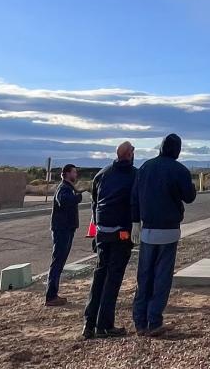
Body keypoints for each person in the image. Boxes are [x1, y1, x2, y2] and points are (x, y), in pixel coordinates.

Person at [131, 133, 197, 337]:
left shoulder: (145, 167)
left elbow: (134, 196)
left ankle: (139, 321)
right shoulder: (180, 170)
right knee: (162, 277)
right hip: (168, 230)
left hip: (147, 229)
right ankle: (154, 320)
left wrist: (135, 221)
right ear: (177, 150)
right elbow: (190, 197)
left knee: (144, 276)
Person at [83, 141, 137, 339]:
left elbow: (94, 201)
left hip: (102, 232)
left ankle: (89, 323)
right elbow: (135, 202)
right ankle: (105, 325)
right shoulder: (133, 175)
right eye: (132, 151)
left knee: (99, 276)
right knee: (113, 279)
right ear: (129, 154)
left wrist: (97, 224)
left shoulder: (102, 174)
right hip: (121, 233)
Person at [46, 163, 83, 307]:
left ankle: (53, 294)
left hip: (67, 228)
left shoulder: (68, 188)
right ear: (67, 173)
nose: (76, 175)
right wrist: (78, 197)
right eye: (74, 172)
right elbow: (64, 201)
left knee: (60, 262)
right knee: (57, 262)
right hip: (62, 230)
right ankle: (51, 296)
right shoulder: (63, 188)